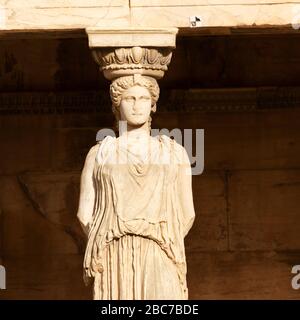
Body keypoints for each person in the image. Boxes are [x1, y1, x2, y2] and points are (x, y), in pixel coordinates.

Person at [77, 74, 195, 300]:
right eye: (129, 98)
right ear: (117, 104)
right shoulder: (99, 153)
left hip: (161, 247)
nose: (136, 105)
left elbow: (187, 213)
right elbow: (84, 213)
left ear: (153, 105)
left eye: (143, 98)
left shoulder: (174, 152)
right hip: (113, 251)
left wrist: (161, 237)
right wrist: (108, 238)